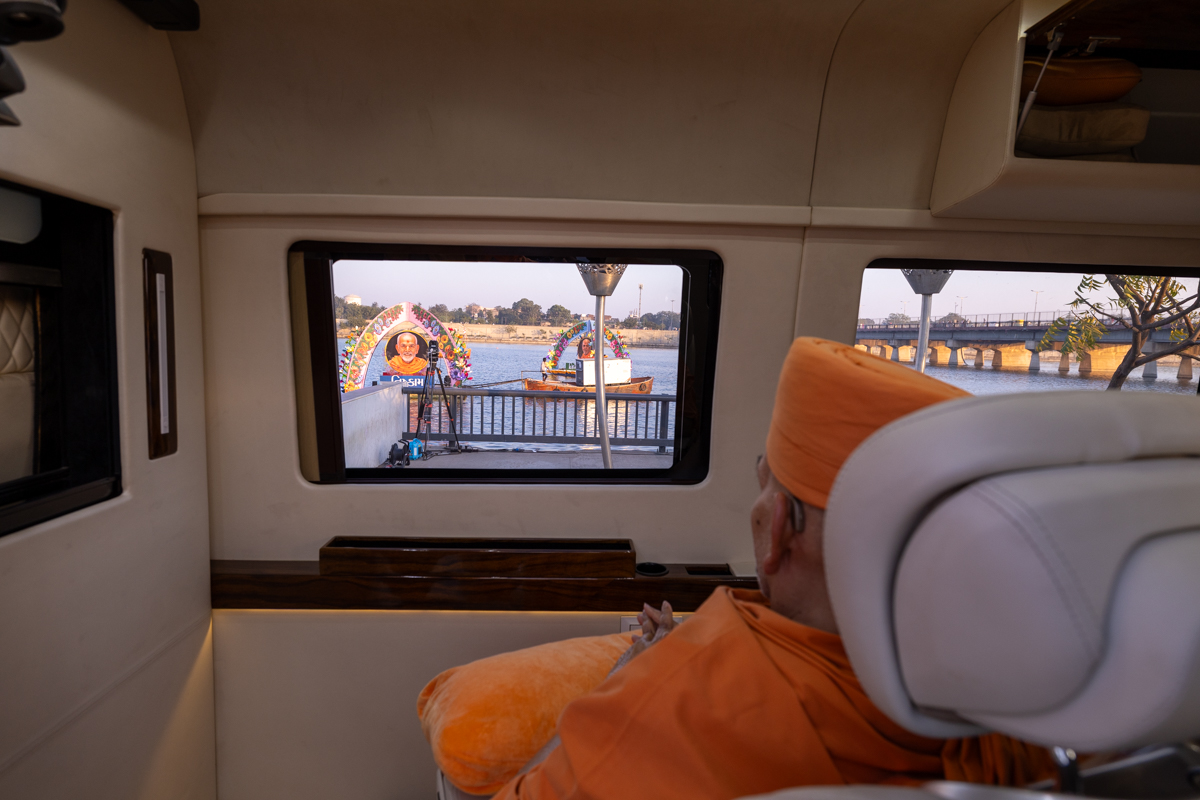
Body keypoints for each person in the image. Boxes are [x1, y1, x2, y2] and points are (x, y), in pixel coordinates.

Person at [494, 337, 1053, 800]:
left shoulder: (667, 701)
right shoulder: (1038, 709)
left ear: (777, 527)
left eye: (764, 483)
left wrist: (625, 681)